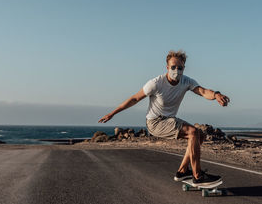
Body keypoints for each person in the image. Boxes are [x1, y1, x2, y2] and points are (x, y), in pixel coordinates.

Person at [98, 50, 230, 186]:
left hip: (170, 120)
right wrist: (112, 113)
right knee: (193, 132)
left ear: (184, 68)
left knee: (199, 136)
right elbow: (134, 98)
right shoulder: (156, 83)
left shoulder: (186, 81)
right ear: (167, 67)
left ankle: (183, 171)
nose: (176, 70)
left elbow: (202, 91)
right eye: (173, 67)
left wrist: (216, 95)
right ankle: (198, 176)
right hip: (155, 122)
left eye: (180, 68)